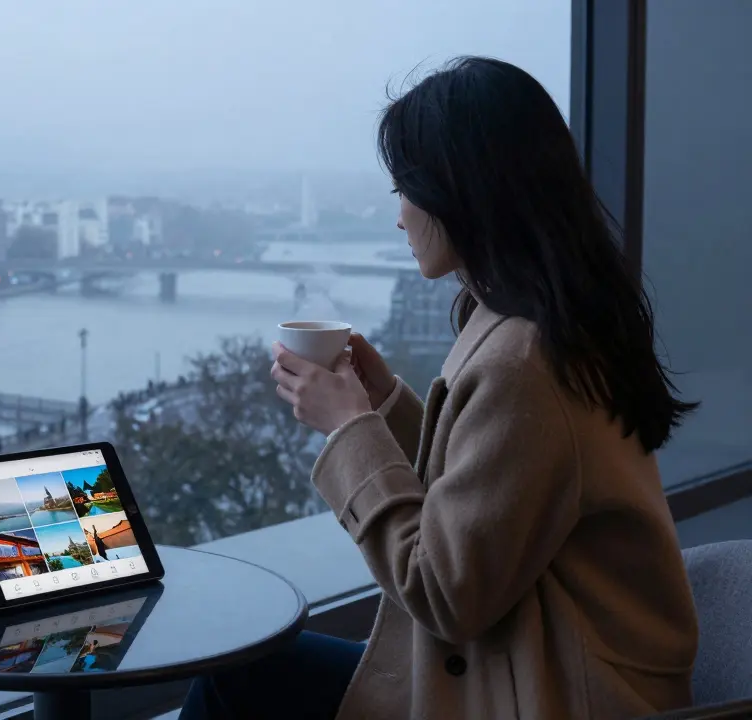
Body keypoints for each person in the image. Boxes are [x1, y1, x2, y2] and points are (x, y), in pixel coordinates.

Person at [183, 57, 700, 720]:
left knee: (237, 681)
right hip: (529, 668)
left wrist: (350, 430)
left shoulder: (524, 362)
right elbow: (496, 488)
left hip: (544, 694)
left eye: (405, 188)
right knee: (243, 676)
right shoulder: (545, 321)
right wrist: (385, 406)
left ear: (462, 193)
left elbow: (445, 592)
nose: (400, 217)